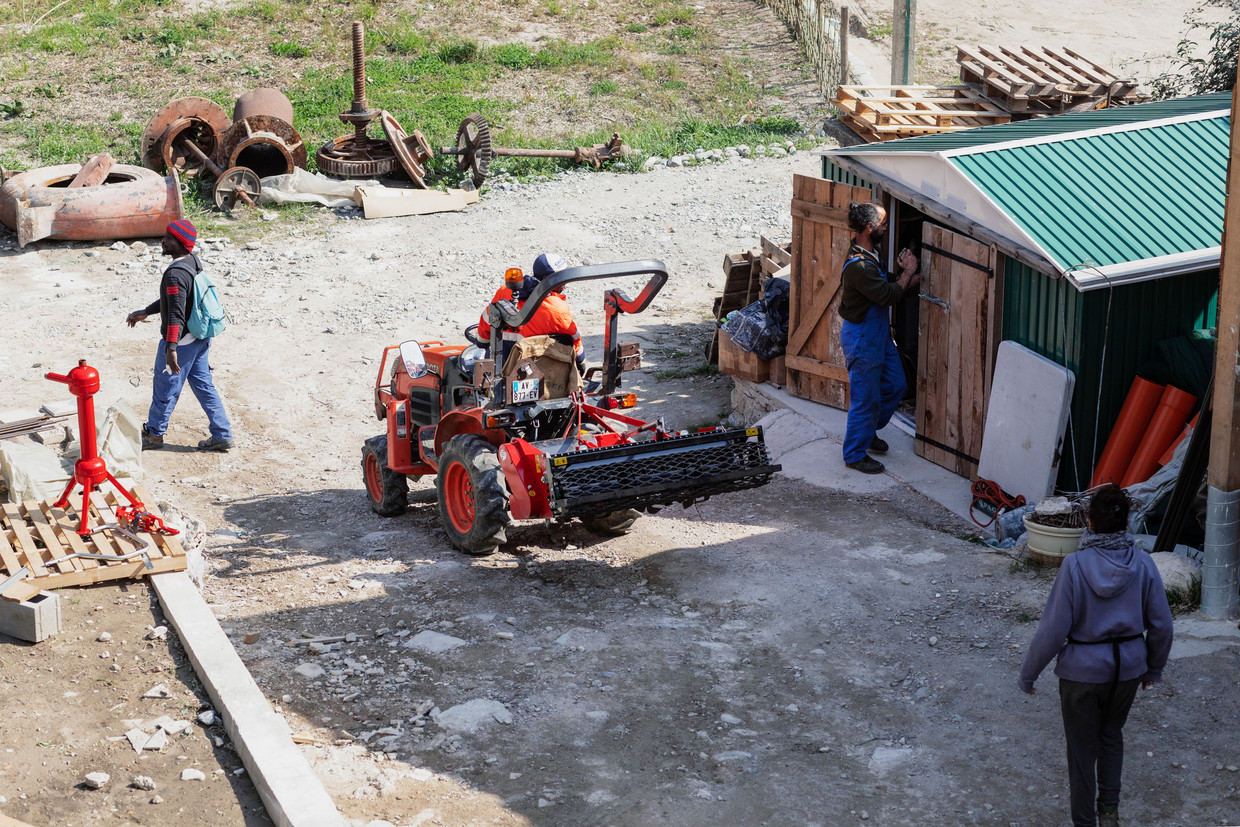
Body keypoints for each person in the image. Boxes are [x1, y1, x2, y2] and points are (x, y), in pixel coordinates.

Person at [1019, 484, 1173, 827]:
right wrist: (1154, 668)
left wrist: (1029, 674)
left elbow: (1052, 631)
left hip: (1082, 673)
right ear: (1127, 521)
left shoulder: (1075, 566)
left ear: (1089, 521)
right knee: (1111, 735)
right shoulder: (1144, 563)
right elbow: (1162, 625)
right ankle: (1109, 812)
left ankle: (1085, 822)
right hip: (1129, 669)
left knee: (1081, 750)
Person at [125, 219, 235, 452]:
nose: (163, 241)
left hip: (182, 344)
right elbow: (177, 301)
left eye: (168, 237)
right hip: (199, 338)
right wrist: (146, 311)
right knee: (205, 387)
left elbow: (175, 313)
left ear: (180, 243)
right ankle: (222, 434)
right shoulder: (192, 261)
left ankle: (154, 435)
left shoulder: (174, 274)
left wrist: (171, 349)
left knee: (165, 388)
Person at [838, 201, 920, 474]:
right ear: (870, 228)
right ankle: (854, 453)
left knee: (896, 384)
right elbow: (888, 295)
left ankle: (867, 431)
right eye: (883, 224)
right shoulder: (858, 266)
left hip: (878, 335)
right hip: (863, 336)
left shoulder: (871, 253)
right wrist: (908, 273)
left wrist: (906, 276)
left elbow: (887, 282)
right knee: (865, 398)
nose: (886, 228)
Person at [477, 252, 586, 372]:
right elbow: (574, 338)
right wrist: (581, 363)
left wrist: (482, 344)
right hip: (541, 372)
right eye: (560, 280)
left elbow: (487, 319)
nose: (564, 284)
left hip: (503, 368)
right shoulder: (557, 308)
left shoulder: (505, 291)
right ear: (547, 279)